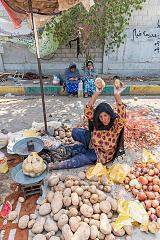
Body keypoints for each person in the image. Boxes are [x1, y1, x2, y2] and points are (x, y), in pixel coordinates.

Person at [49, 77, 126, 170]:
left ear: (110, 114)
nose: (103, 119)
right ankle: (69, 150)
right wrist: (97, 92)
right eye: (101, 116)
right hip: (92, 143)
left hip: (101, 153)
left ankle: (59, 165)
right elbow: (88, 110)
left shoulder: (115, 125)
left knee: (81, 158)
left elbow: (122, 115)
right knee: (75, 132)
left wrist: (117, 95)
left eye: (105, 115)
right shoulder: (98, 121)